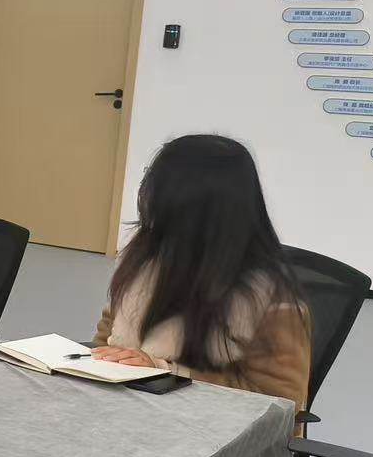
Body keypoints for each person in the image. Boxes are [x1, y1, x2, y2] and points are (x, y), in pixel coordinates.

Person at [90, 134, 310, 407]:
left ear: (187, 200)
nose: (145, 189)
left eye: (155, 180)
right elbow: (105, 338)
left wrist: (165, 371)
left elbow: (282, 404)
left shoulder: (268, 294)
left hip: (203, 424)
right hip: (127, 409)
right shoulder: (143, 256)